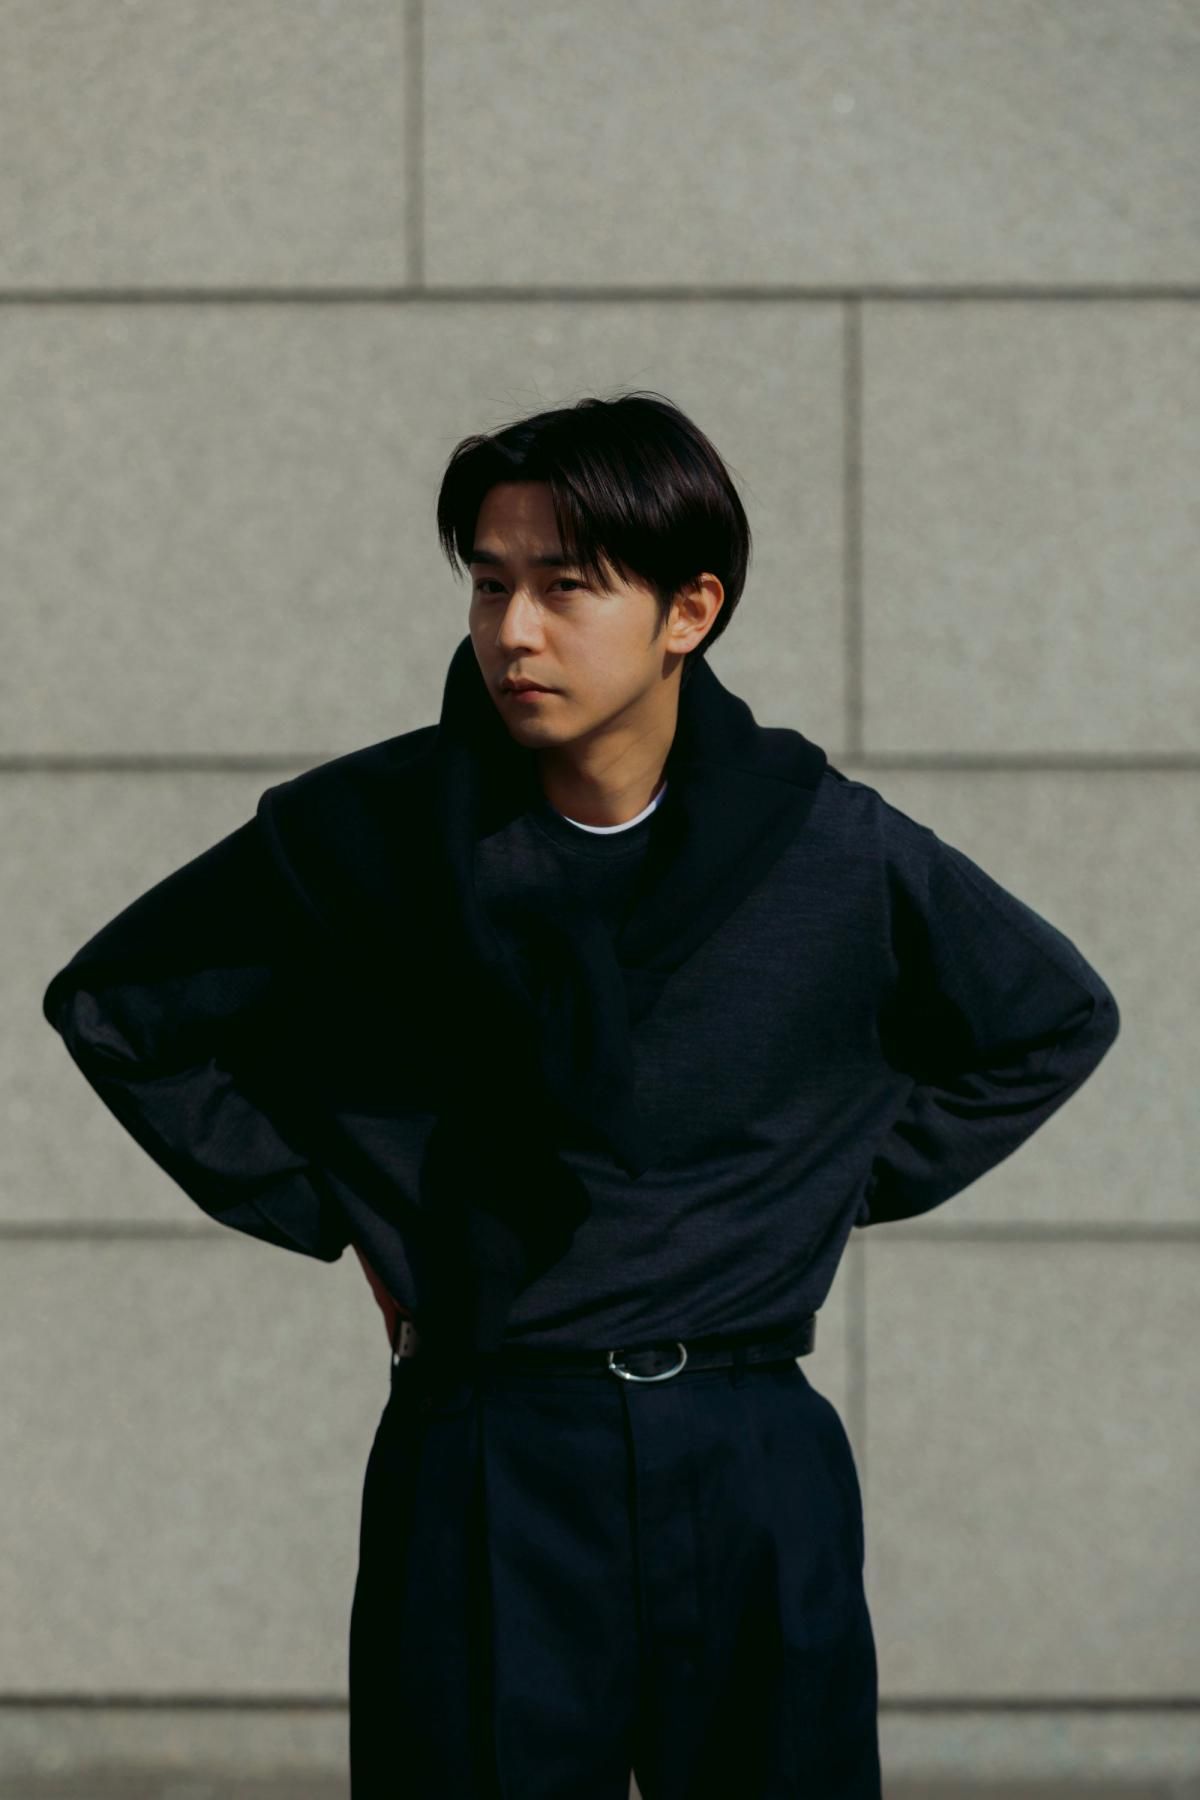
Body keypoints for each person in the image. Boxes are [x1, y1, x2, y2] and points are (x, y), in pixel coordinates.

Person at [42, 389, 1121, 1799]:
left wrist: (819, 1182)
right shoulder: (364, 836)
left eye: (566, 587)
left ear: (690, 611)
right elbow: (120, 1009)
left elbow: (1049, 1018)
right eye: (490, 585)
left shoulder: (826, 843)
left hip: (750, 1447)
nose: (514, 631)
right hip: (486, 1449)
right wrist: (345, 1210)